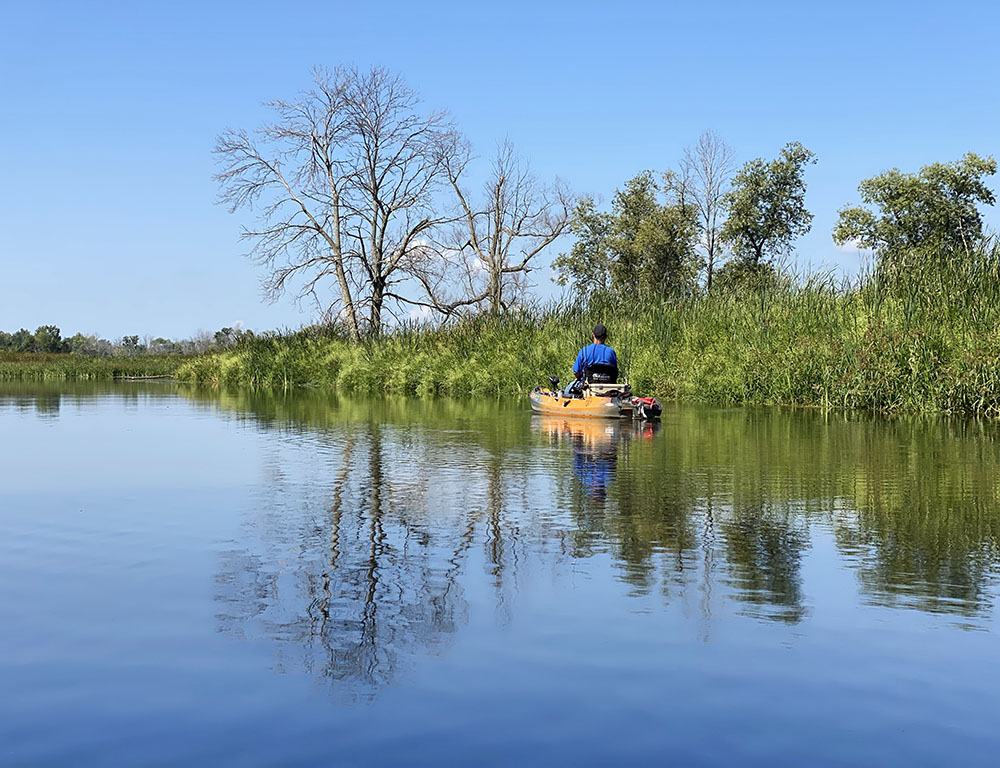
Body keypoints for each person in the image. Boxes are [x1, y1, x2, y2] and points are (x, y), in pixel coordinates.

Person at [565, 324, 618, 396]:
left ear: (593, 335)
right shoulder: (611, 352)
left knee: (567, 391)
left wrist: (579, 378)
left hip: (589, 386)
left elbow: (576, 371)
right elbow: (614, 371)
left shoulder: (585, 350)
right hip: (608, 386)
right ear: (606, 337)